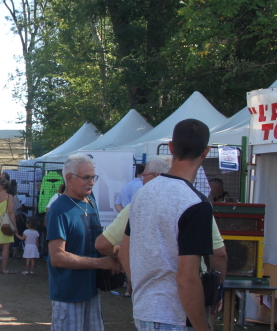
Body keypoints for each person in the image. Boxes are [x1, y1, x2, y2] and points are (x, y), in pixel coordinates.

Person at [121, 119, 215, 331]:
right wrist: (203, 327)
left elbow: (123, 253)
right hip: (176, 316)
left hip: (145, 310)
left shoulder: (142, 194)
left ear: (171, 147)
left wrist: (145, 289)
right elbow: (187, 278)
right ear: (206, 151)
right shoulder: (196, 204)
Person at [95, 155, 228, 301]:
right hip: (191, 290)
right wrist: (217, 289)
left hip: (149, 294)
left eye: (144, 176)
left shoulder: (137, 205)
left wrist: (118, 254)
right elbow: (219, 254)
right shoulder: (196, 202)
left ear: (156, 177)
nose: (142, 180)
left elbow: (103, 244)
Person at [46, 153, 121, 331]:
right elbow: (57, 257)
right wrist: (101, 263)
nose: (92, 182)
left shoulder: (91, 202)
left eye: (93, 177)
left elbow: (95, 242)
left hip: (91, 292)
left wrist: (116, 253)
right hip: (68, 295)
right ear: (69, 178)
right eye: (86, 177)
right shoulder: (59, 209)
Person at [0, 179, 17, 274]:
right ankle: (5, 268)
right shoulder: (9, 196)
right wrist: (14, 226)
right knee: (6, 246)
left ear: (0, 186)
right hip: (6, 220)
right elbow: (11, 212)